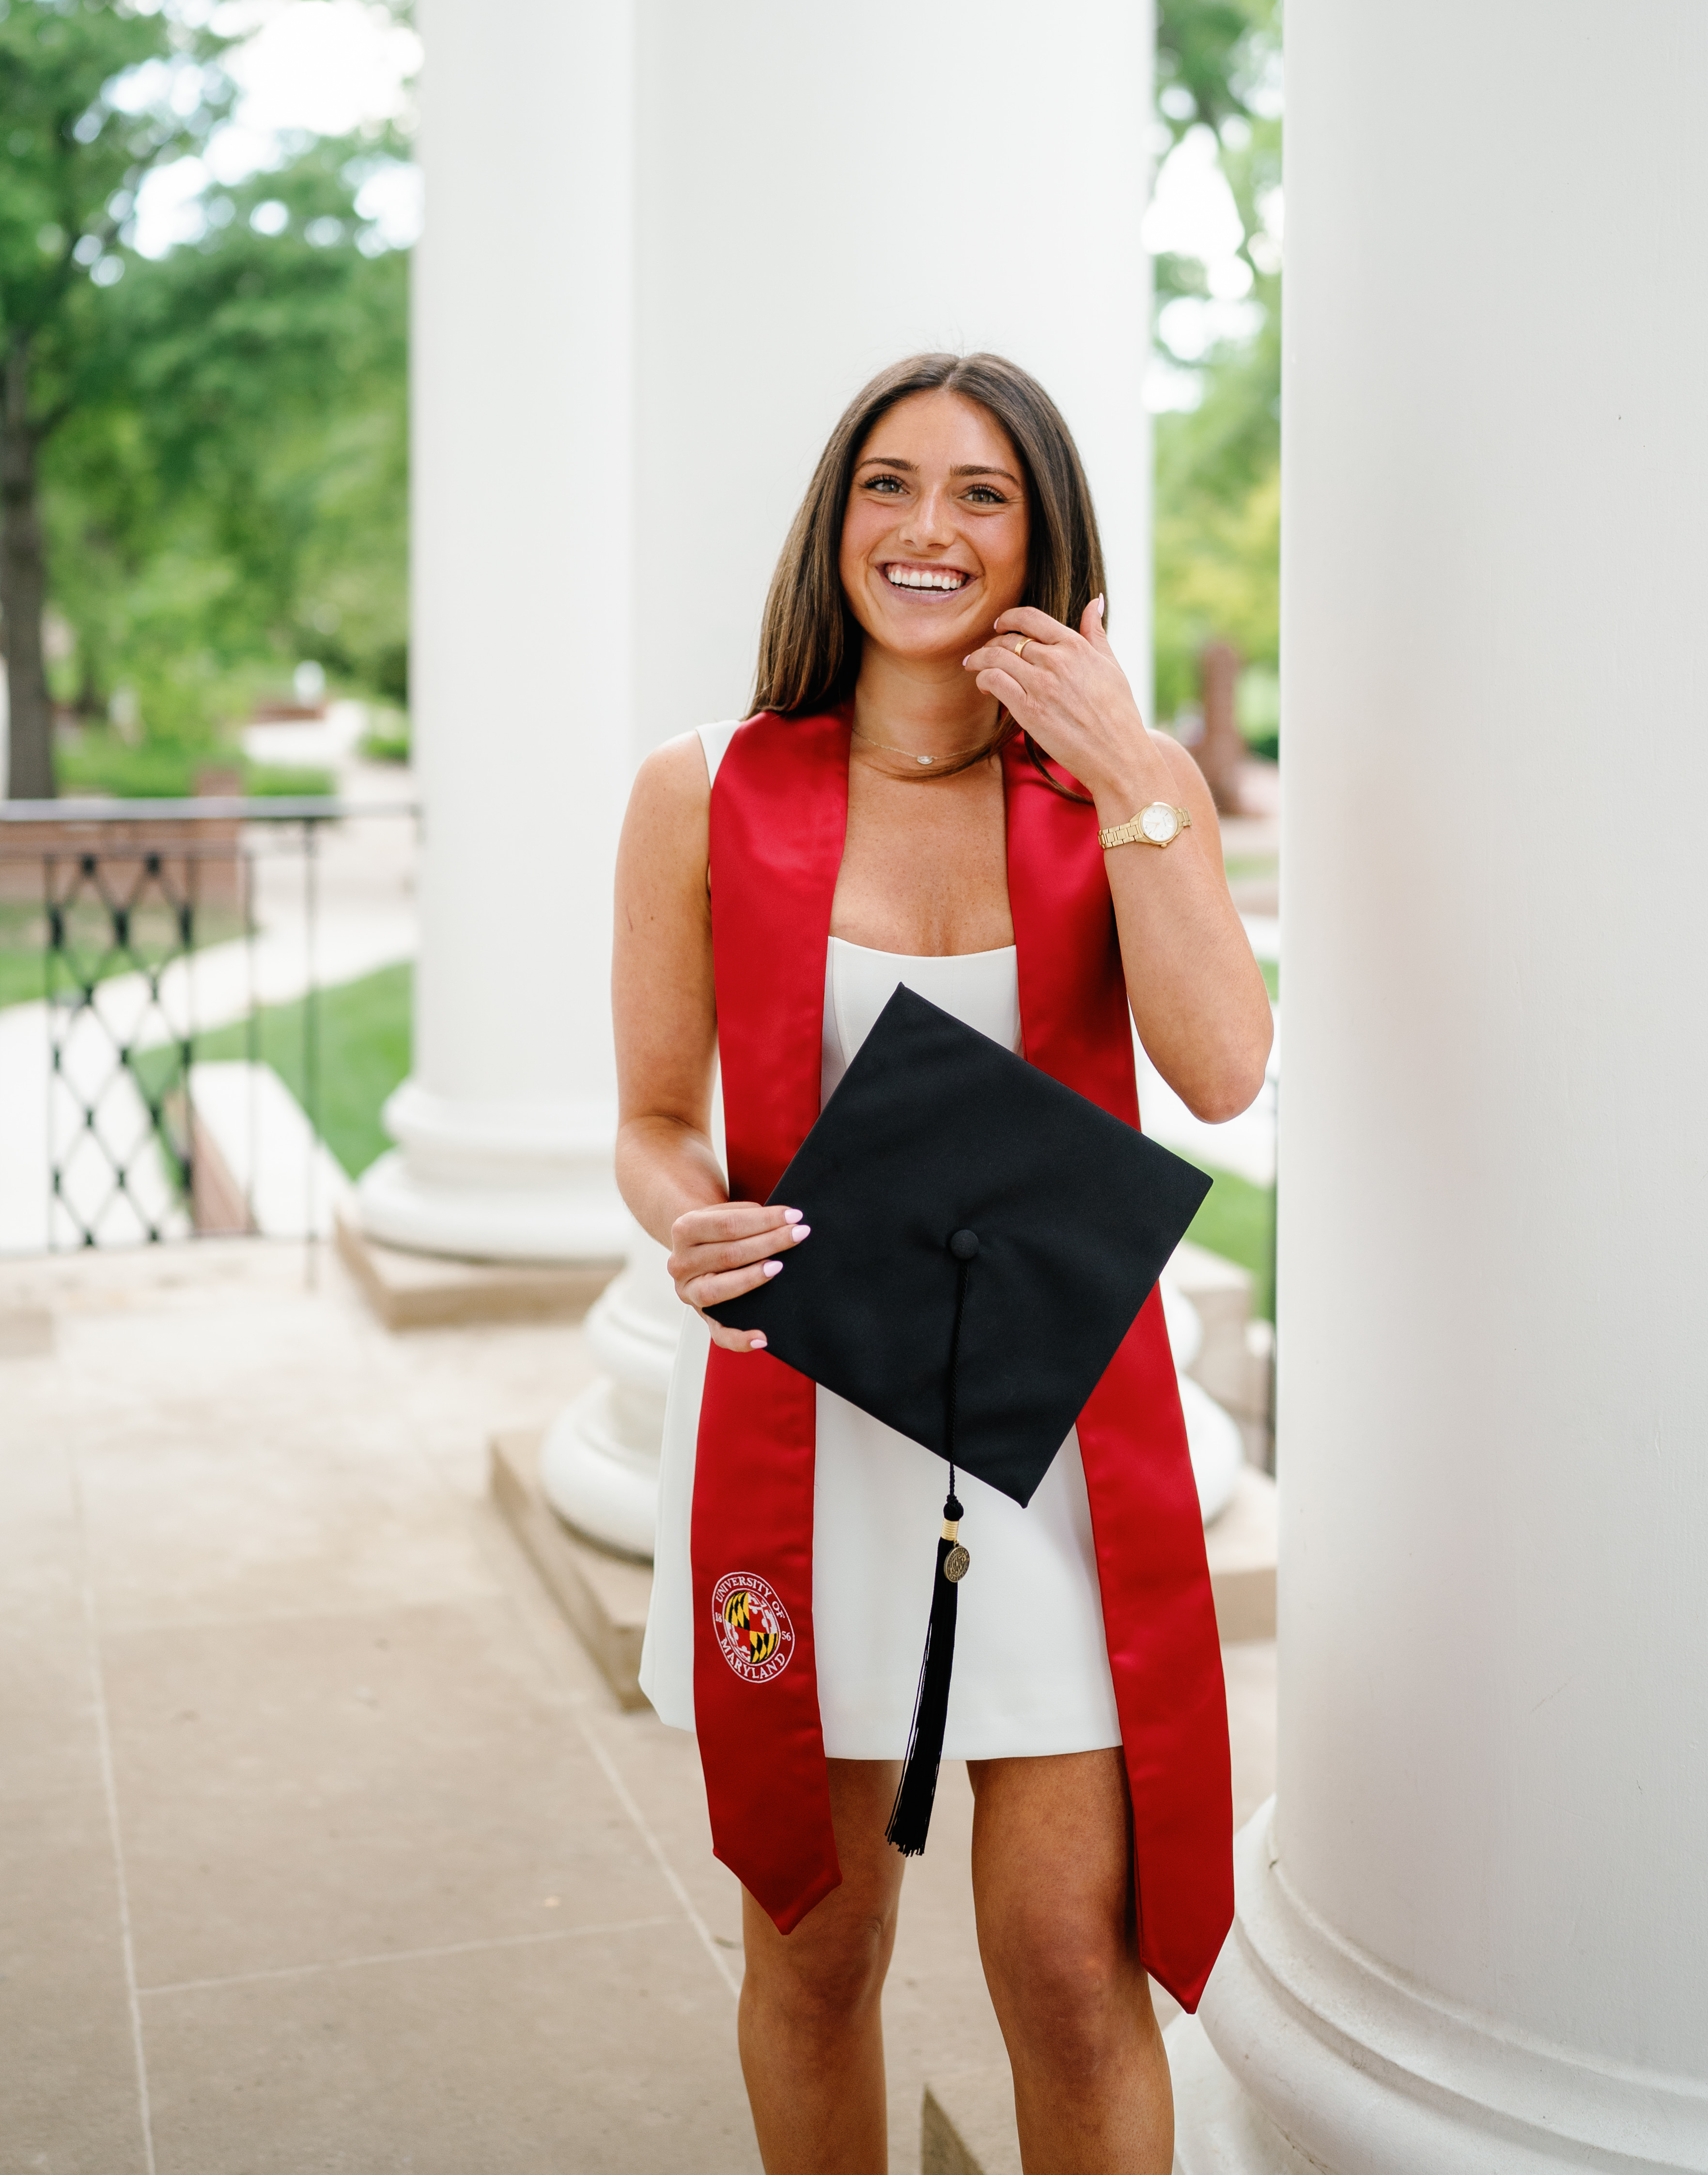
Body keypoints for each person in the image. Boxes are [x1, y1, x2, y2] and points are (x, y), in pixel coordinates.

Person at [617, 351, 1274, 2175]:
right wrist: (688, 1217)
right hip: (801, 1430)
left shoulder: (1114, 800)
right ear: (836, 521)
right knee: (818, 1953)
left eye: (983, 494)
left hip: (1045, 1442)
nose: (928, 529)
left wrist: (1134, 771)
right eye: (888, 485)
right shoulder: (704, 790)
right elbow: (654, 1113)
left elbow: (1223, 1068)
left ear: (1042, 540)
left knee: (1074, 1971)